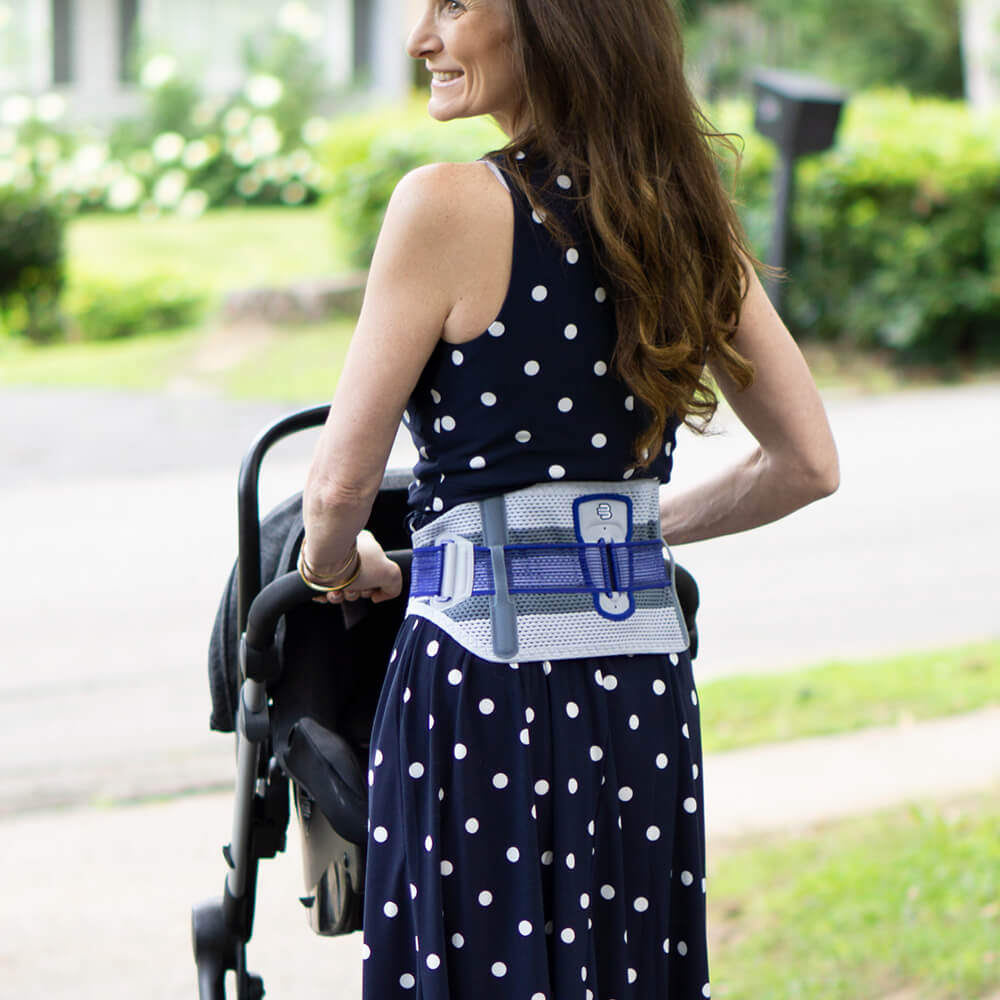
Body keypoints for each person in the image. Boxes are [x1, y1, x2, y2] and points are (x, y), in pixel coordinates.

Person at [298, 0, 839, 996]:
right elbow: (805, 463)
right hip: (639, 691)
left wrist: (340, 564)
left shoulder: (448, 204)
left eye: (453, 5)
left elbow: (337, 482)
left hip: (482, 689)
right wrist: (623, 536)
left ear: (554, 19)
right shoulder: (684, 212)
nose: (421, 38)